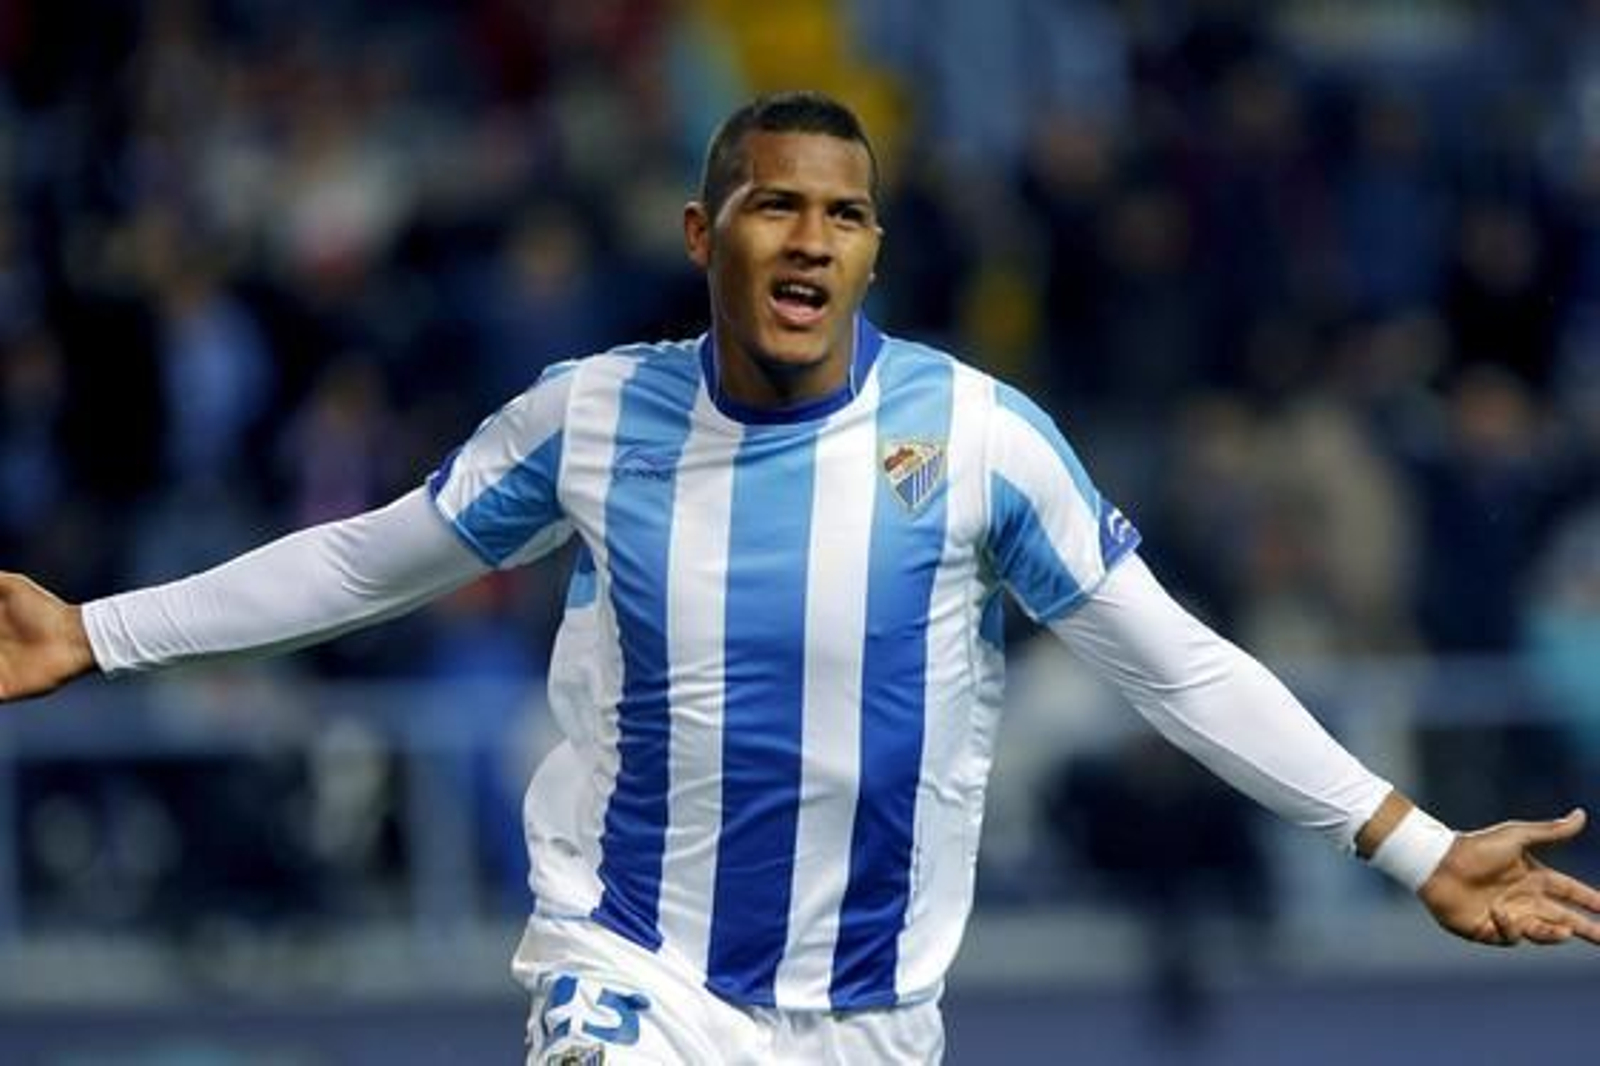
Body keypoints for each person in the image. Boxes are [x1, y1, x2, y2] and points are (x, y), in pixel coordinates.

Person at [1, 91, 1598, 1065]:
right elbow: (372, 556)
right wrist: (97, 629)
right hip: (630, 965)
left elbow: (1175, 663)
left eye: (844, 214)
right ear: (709, 228)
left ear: (876, 252)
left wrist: (1413, 842)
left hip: (873, 1014)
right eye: (777, 204)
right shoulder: (591, 418)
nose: (810, 240)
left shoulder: (981, 441)